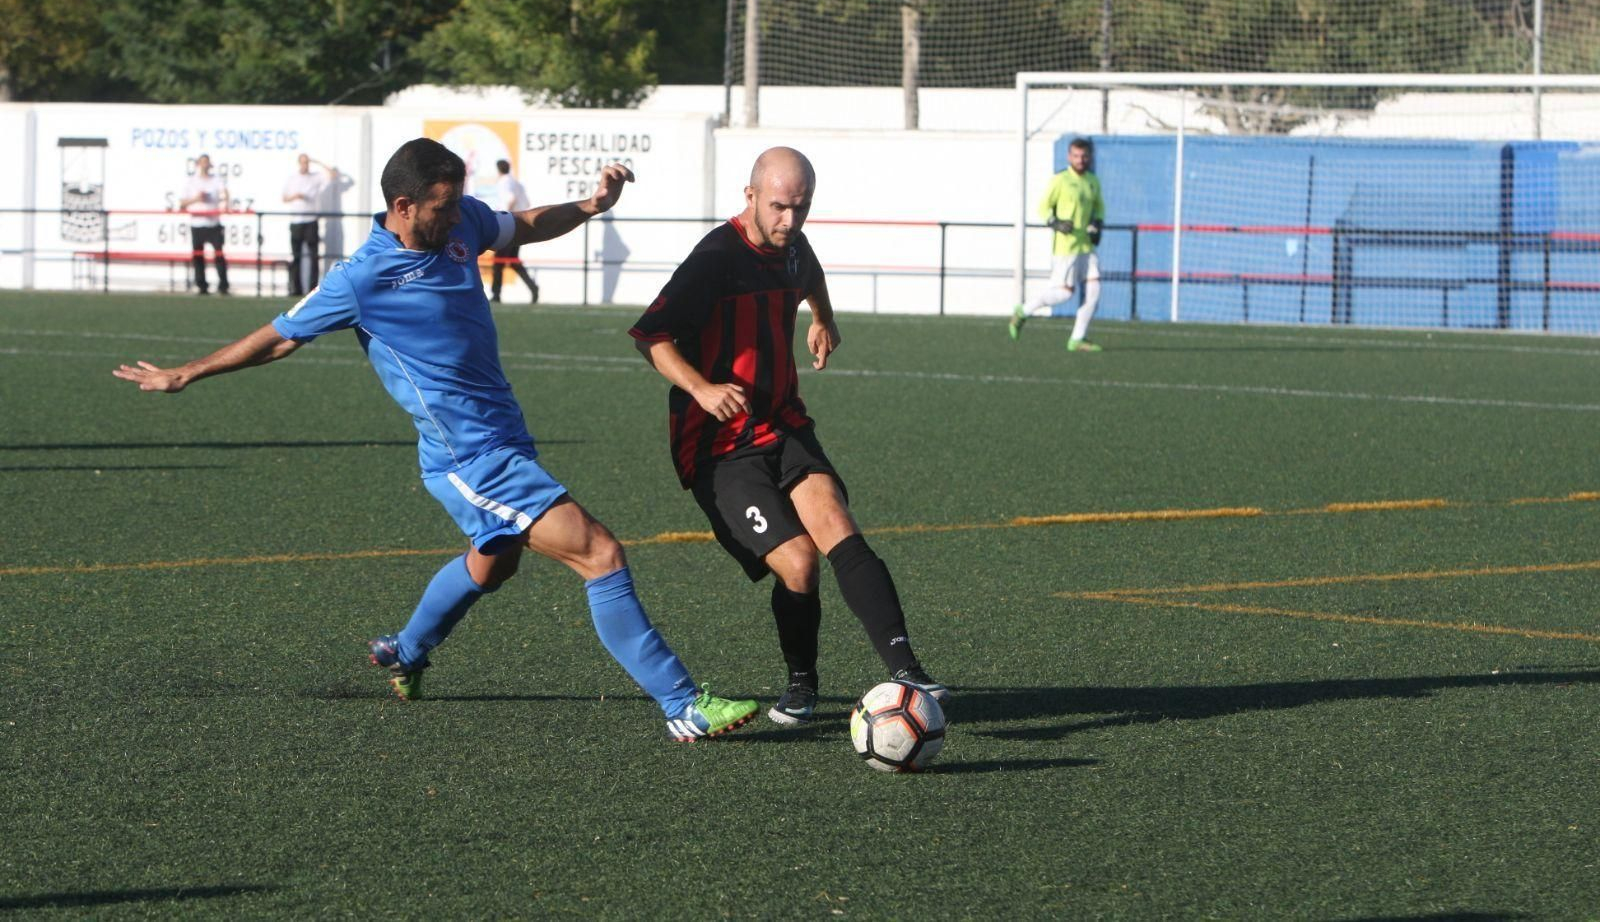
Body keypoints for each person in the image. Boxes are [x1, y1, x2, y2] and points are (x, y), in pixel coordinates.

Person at [115, 137, 757, 743]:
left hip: (503, 438)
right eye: (443, 208)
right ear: (403, 206)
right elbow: (281, 336)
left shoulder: (459, 228)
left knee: (493, 562)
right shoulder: (360, 278)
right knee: (601, 554)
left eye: (457, 206)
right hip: (469, 458)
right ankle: (683, 707)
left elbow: (523, 225)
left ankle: (404, 651)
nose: (458, 220)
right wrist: (188, 372)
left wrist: (591, 206)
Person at [629, 146, 946, 728]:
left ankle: (908, 671)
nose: (790, 222)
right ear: (749, 196)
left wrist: (822, 316)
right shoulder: (715, 258)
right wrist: (701, 388)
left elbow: (810, 271)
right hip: (720, 446)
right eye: (779, 207)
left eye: (802, 209)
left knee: (840, 531)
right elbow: (651, 335)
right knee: (799, 563)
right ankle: (802, 685)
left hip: (785, 421)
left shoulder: (794, 245)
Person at [1008, 137, 1105, 351]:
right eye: (1076, 156)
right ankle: (1023, 311)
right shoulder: (1060, 180)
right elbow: (1043, 207)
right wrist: (1055, 222)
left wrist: (1097, 223)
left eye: (1084, 156)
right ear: (1069, 157)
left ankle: (1077, 339)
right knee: (1064, 294)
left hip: (1087, 247)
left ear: (1089, 157)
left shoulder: (1092, 181)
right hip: (1066, 249)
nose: (1080, 160)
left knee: (1095, 291)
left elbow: (1099, 208)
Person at [282, 153, 337, 296]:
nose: (305, 165)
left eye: (307, 162)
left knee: (313, 256)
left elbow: (332, 174)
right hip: (296, 221)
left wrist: (317, 161)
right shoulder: (292, 179)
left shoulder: (316, 177)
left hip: (311, 220)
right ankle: (296, 288)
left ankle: (313, 288)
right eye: (303, 162)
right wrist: (296, 196)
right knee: (296, 256)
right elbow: (284, 197)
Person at [178, 154, 230, 296]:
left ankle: (223, 285)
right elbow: (182, 203)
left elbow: (225, 193)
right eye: (202, 162)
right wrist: (196, 198)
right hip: (197, 223)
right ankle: (201, 285)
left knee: (219, 255)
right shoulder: (191, 182)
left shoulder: (216, 180)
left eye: (207, 162)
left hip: (213, 223)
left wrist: (226, 203)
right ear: (197, 164)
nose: (204, 165)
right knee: (198, 256)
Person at [490, 159, 540, 303]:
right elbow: (527, 203)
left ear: (498, 170)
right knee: (513, 261)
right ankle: (533, 287)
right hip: (519, 224)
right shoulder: (516, 182)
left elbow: (509, 199)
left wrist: (503, 216)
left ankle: (496, 294)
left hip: (508, 224)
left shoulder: (504, 182)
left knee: (498, 261)